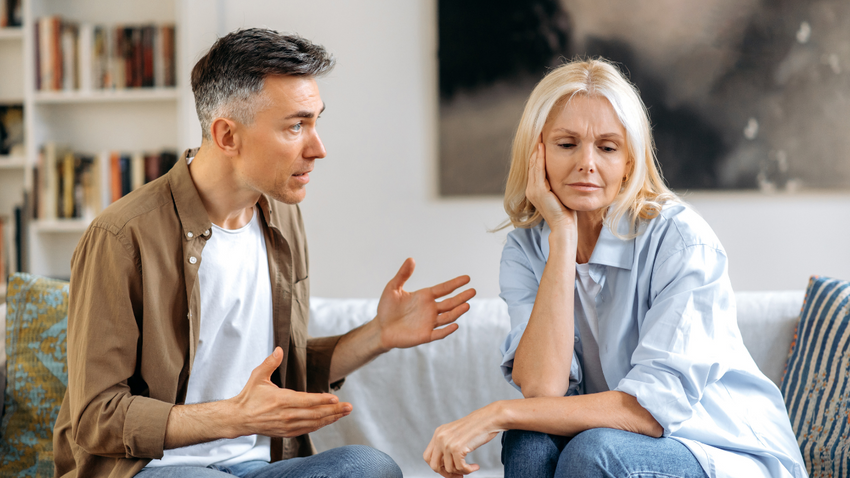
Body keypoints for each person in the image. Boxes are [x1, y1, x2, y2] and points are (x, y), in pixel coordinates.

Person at [53, 28, 476, 478]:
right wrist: (235, 418)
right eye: (296, 126)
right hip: (151, 468)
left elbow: (283, 370)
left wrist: (379, 334)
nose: (319, 149)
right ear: (227, 135)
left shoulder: (281, 218)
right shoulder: (122, 236)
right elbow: (95, 416)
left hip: (253, 466)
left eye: (315, 122)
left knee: (370, 468)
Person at [424, 58, 806, 478]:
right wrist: (562, 237)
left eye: (607, 148)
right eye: (566, 144)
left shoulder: (681, 239)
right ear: (537, 153)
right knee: (529, 441)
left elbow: (648, 412)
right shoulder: (526, 247)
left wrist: (498, 412)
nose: (587, 162)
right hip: (613, 443)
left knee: (591, 452)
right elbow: (542, 389)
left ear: (629, 162)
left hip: (721, 451)